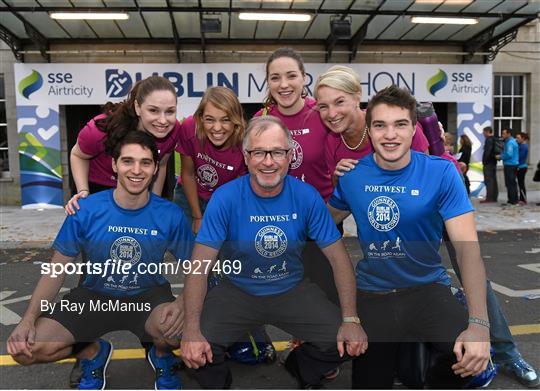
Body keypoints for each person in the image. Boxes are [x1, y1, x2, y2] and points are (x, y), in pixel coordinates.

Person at [180, 116, 367, 389]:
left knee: (343, 341)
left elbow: (339, 259)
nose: (268, 161)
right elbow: (199, 266)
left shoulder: (307, 196)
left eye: (277, 152)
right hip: (238, 291)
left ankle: (301, 365)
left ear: (289, 155)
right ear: (246, 156)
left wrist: (351, 319)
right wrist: (191, 329)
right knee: (198, 349)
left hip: (291, 289)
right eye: (259, 152)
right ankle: (219, 383)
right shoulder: (225, 197)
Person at [327, 85, 491, 388]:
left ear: (414, 128)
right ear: (369, 129)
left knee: (472, 359)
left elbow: (468, 250)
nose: (390, 135)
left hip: (427, 290)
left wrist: (479, 324)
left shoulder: (441, 173)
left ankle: (429, 379)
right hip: (374, 296)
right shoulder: (352, 176)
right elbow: (323, 224)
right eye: (380, 125)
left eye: (400, 124)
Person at [7, 131, 194, 390]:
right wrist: (27, 319)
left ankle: (161, 355)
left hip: (147, 297)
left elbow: (197, 269)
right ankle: (92, 353)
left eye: (145, 162)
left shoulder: (169, 214)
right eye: (128, 161)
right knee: (26, 349)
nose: (136, 170)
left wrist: (183, 303)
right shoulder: (86, 210)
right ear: (115, 165)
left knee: (182, 331)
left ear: (154, 168)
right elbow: (55, 271)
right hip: (93, 297)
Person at [254, 48, 340, 305]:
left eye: (291, 76)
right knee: (290, 295)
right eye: (275, 77)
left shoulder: (322, 114)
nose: (284, 84)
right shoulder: (261, 120)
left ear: (304, 78)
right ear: (268, 82)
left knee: (327, 292)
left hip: (322, 219)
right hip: (281, 223)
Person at [66, 76, 181, 214]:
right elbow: (78, 155)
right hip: (98, 188)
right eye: (153, 110)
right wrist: (83, 192)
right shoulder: (102, 129)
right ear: (138, 107)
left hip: (140, 186)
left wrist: (154, 202)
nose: (163, 120)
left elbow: (161, 164)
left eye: (169, 111)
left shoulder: (173, 131)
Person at [313, 65, 430, 183]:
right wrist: (339, 179)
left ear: (357, 97)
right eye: (323, 106)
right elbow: (339, 193)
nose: (332, 114)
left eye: (339, 102)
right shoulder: (331, 142)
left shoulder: (396, 125)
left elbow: (426, 176)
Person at [174, 86, 247, 234]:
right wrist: (197, 216)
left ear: (236, 120)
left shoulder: (245, 143)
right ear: (200, 118)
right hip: (189, 194)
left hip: (223, 200)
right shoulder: (190, 128)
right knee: (185, 248)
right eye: (209, 120)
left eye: (225, 120)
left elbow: (240, 190)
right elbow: (187, 174)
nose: (217, 128)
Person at [496, 128, 519, 206]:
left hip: (510, 165)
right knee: (512, 183)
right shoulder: (511, 141)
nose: (502, 135)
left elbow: (509, 154)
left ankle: (512, 201)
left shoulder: (510, 143)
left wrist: (500, 156)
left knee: (510, 183)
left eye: (504, 133)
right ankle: (513, 200)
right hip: (512, 164)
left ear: (509, 134)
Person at [481, 126, 498, 203]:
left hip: (488, 163)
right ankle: (494, 197)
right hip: (493, 162)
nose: (483, 134)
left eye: (484, 132)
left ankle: (489, 198)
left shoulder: (489, 140)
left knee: (489, 181)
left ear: (487, 132)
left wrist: (484, 161)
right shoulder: (495, 139)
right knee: (493, 180)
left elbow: (488, 152)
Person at [516, 132, 529, 205]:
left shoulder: (524, 146)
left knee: (521, 183)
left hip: (521, 167)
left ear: (523, 138)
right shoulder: (520, 145)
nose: (516, 139)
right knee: (520, 183)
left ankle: (523, 199)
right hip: (520, 167)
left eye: (518, 138)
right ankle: (522, 198)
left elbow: (520, 157)